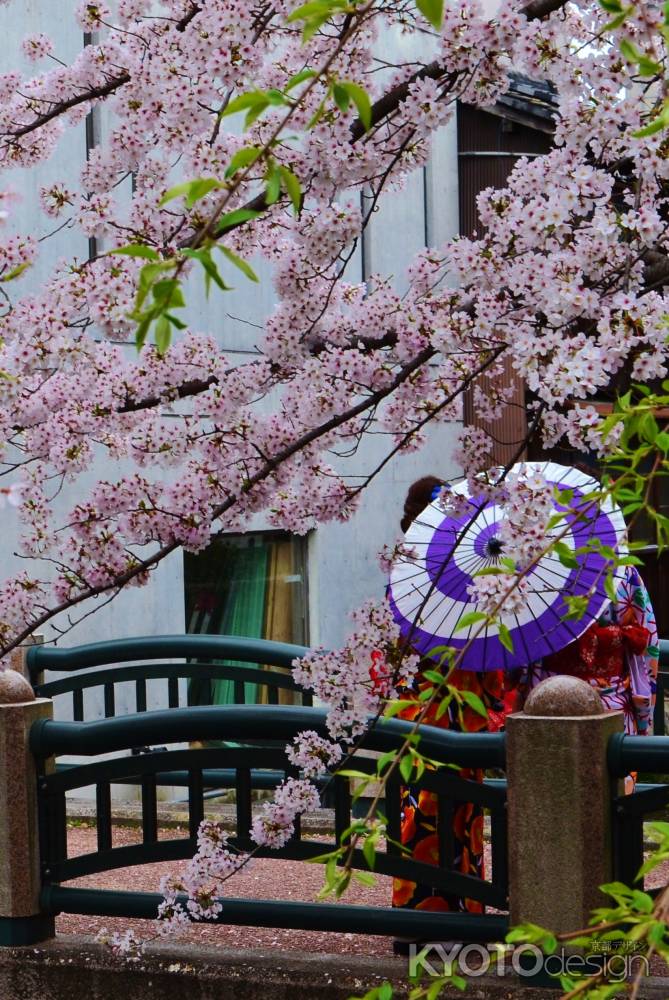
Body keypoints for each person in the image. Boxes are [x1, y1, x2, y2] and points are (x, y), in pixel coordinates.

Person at [390, 477, 515, 919]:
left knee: (433, 812)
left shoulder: (406, 574)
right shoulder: (457, 577)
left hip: (418, 711)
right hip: (451, 714)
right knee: (444, 813)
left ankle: (424, 913)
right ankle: (447, 913)